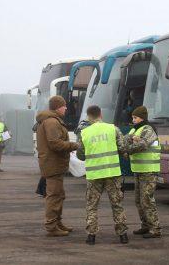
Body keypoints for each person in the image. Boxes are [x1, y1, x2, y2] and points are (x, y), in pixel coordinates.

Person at [77, 105, 129, 245]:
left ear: (88, 117)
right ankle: (123, 235)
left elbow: (80, 155)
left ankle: (91, 236)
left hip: (94, 174)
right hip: (112, 173)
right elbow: (123, 147)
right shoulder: (113, 128)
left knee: (92, 206)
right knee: (117, 204)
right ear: (101, 114)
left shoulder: (84, 132)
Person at [35, 96, 79, 237]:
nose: (66, 108)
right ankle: (51, 226)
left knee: (59, 195)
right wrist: (74, 145)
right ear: (57, 107)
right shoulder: (52, 122)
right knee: (54, 196)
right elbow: (55, 143)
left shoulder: (51, 120)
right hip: (52, 164)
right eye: (64, 105)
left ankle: (57, 223)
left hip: (55, 164)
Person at [124, 106, 162, 238]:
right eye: (132, 117)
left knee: (147, 200)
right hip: (138, 170)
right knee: (138, 200)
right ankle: (145, 225)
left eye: (135, 117)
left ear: (142, 117)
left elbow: (142, 145)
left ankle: (155, 228)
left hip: (149, 171)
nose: (133, 120)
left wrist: (129, 147)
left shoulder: (148, 129)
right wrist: (130, 143)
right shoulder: (135, 129)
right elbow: (125, 141)